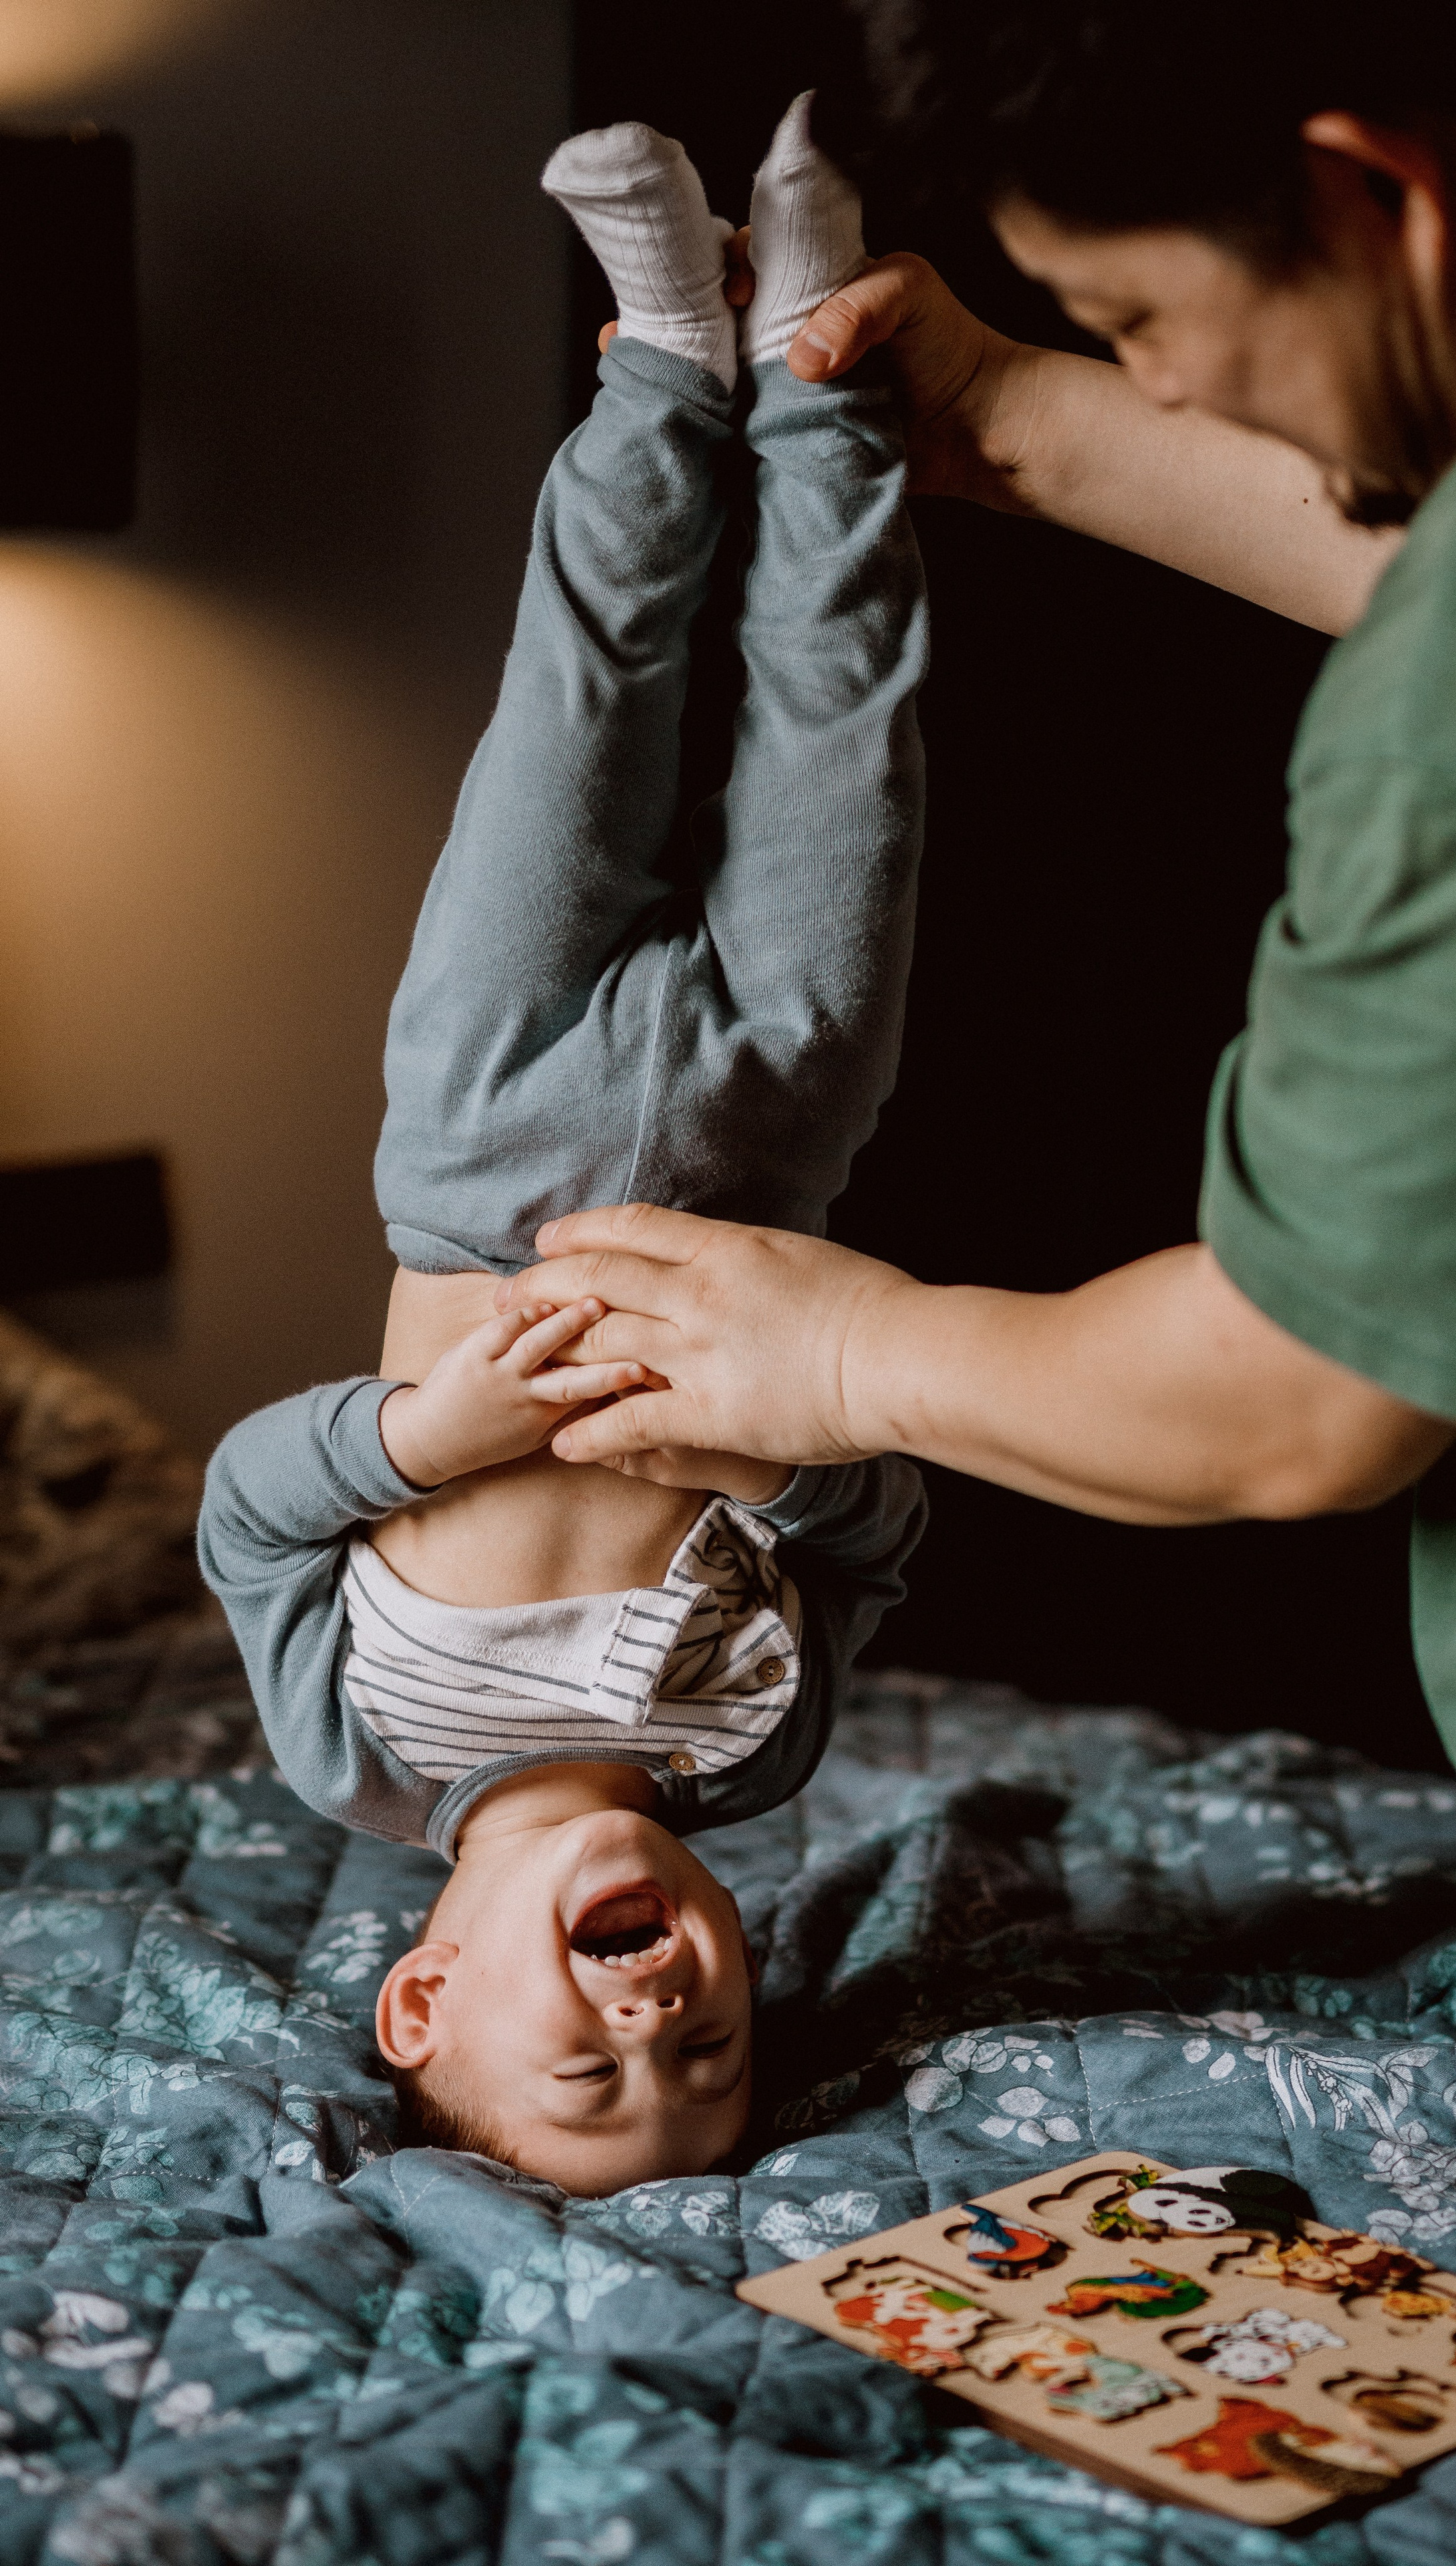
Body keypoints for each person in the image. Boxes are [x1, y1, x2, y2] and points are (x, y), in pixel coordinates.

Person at [493, 14, 1456, 2556]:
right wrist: (1031, 412)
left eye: (1149, 319)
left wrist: (831, 1345)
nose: (1160, 370)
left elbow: (1295, 1404)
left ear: (1383, 193)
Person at [197, 100, 929, 2198]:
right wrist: (760, 1459)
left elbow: (249, 1514)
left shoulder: (363, 1750)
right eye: (715, 2061)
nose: (661, 2029)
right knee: (843, 734)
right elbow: (880, 1529)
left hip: (483, 1122)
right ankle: (811, 363)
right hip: (780, 1135)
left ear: (416, 2001)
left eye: (594, 2081)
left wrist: (432, 1437)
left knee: (581, 705)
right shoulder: (747, 1743)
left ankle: (655, 355)